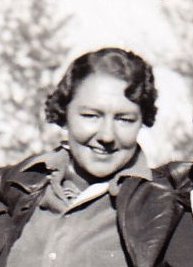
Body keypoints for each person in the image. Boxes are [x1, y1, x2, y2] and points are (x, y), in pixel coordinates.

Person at [0, 48, 192, 267]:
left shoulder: (167, 210)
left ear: (142, 121)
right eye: (91, 116)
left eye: (124, 119)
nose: (107, 136)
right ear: (65, 114)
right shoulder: (14, 188)